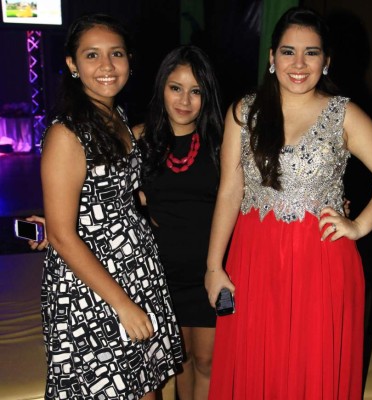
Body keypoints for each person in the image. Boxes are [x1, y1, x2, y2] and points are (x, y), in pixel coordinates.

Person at [204, 6, 372, 400]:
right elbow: (229, 190)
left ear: (326, 61)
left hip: (321, 263)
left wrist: (359, 225)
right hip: (254, 259)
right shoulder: (244, 112)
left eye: (311, 53)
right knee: (255, 365)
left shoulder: (344, 114)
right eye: (288, 51)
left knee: (311, 369)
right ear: (272, 57)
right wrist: (214, 266)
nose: (298, 64)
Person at [38, 13, 182, 399]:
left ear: (129, 61)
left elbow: (109, 191)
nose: (106, 65)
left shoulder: (114, 117)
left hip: (133, 270)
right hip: (94, 289)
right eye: (92, 55)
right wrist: (122, 304)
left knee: (145, 385)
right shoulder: (66, 133)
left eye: (116, 53)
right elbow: (62, 236)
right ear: (72, 64)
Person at [136, 45, 224, 399]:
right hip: (160, 275)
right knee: (180, 362)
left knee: (208, 362)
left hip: (211, 272)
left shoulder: (221, 143)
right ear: (162, 87)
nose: (185, 100)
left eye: (195, 91)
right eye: (176, 88)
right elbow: (101, 192)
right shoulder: (138, 139)